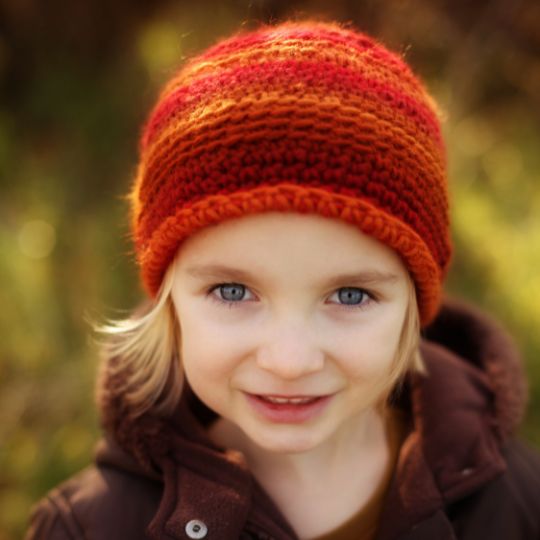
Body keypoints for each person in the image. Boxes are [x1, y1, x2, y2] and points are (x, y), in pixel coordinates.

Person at [25, 18, 540, 540]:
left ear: (415, 299)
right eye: (232, 291)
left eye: (350, 294)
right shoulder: (88, 527)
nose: (289, 362)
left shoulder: (515, 505)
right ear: (170, 300)